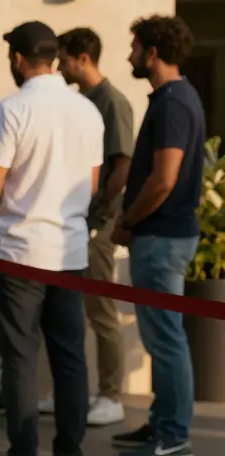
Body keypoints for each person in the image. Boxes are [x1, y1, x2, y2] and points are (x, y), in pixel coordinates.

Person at [0, 21, 104, 456]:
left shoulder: (11, 109)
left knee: (20, 358)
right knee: (70, 358)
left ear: (20, 60)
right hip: (69, 251)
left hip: (19, 253)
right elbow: (93, 184)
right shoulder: (87, 110)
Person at [110, 15, 204, 456]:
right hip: (164, 237)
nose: (129, 54)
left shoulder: (172, 103)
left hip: (161, 237)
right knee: (162, 337)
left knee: (166, 339)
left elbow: (163, 179)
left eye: (134, 46)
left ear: (152, 52)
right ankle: (163, 420)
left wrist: (128, 220)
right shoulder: (174, 98)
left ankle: (173, 437)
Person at [44, 28, 134, 427]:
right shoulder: (80, 102)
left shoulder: (112, 102)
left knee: (100, 309)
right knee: (68, 312)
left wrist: (98, 217)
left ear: (82, 58)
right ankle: (68, 390)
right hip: (75, 225)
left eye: (63, 57)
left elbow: (122, 167)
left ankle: (111, 395)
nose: (59, 65)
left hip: (96, 225)